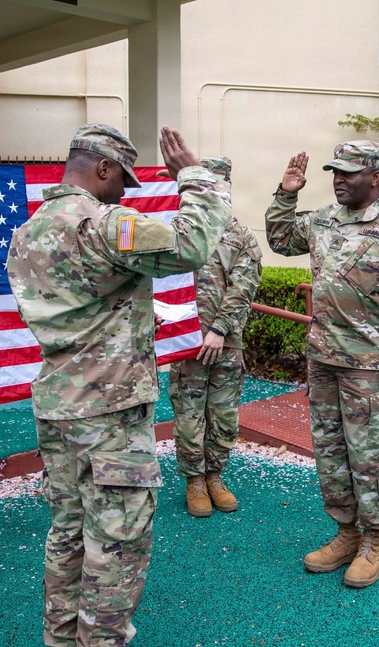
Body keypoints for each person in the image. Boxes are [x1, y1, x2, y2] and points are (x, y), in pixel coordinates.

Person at [7, 124, 230, 646]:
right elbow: (192, 244)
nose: (125, 191)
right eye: (121, 179)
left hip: (59, 402)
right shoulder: (102, 225)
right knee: (118, 541)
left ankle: (62, 640)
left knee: (68, 531)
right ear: (102, 168)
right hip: (108, 411)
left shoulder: (31, 228)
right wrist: (195, 179)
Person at [264, 141, 379, 589]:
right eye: (335, 172)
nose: (339, 179)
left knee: (367, 456)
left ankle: (374, 542)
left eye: (349, 172)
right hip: (323, 359)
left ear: (375, 176)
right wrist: (286, 194)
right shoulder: (323, 220)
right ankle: (345, 533)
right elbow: (282, 241)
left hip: (372, 367)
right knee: (329, 452)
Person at [168, 156, 262, 518]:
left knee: (223, 415)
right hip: (186, 341)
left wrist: (220, 329)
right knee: (190, 415)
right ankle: (194, 481)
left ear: (227, 188)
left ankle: (215, 476)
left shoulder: (240, 236)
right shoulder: (178, 230)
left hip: (225, 342)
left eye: (218, 185)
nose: (213, 192)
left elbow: (244, 287)